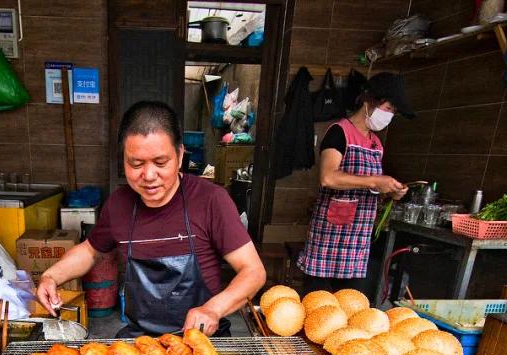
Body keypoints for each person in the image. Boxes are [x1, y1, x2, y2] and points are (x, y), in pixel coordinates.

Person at [36, 101, 266, 337]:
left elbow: (254, 272)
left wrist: (214, 309)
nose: (148, 176)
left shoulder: (210, 200)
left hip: (202, 339)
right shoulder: (119, 204)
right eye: (136, 163)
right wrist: (51, 276)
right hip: (142, 343)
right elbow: (90, 251)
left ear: (179, 154)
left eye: (160, 162)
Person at [297, 72, 415, 297]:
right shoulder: (339, 133)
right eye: (389, 109)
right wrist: (375, 180)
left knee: (351, 306)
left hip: (358, 240)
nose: (390, 116)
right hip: (329, 238)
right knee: (318, 304)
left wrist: (391, 192)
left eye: (393, 112)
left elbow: (371, 190)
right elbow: (328, 177)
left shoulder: (376, 144)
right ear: (370, 101)